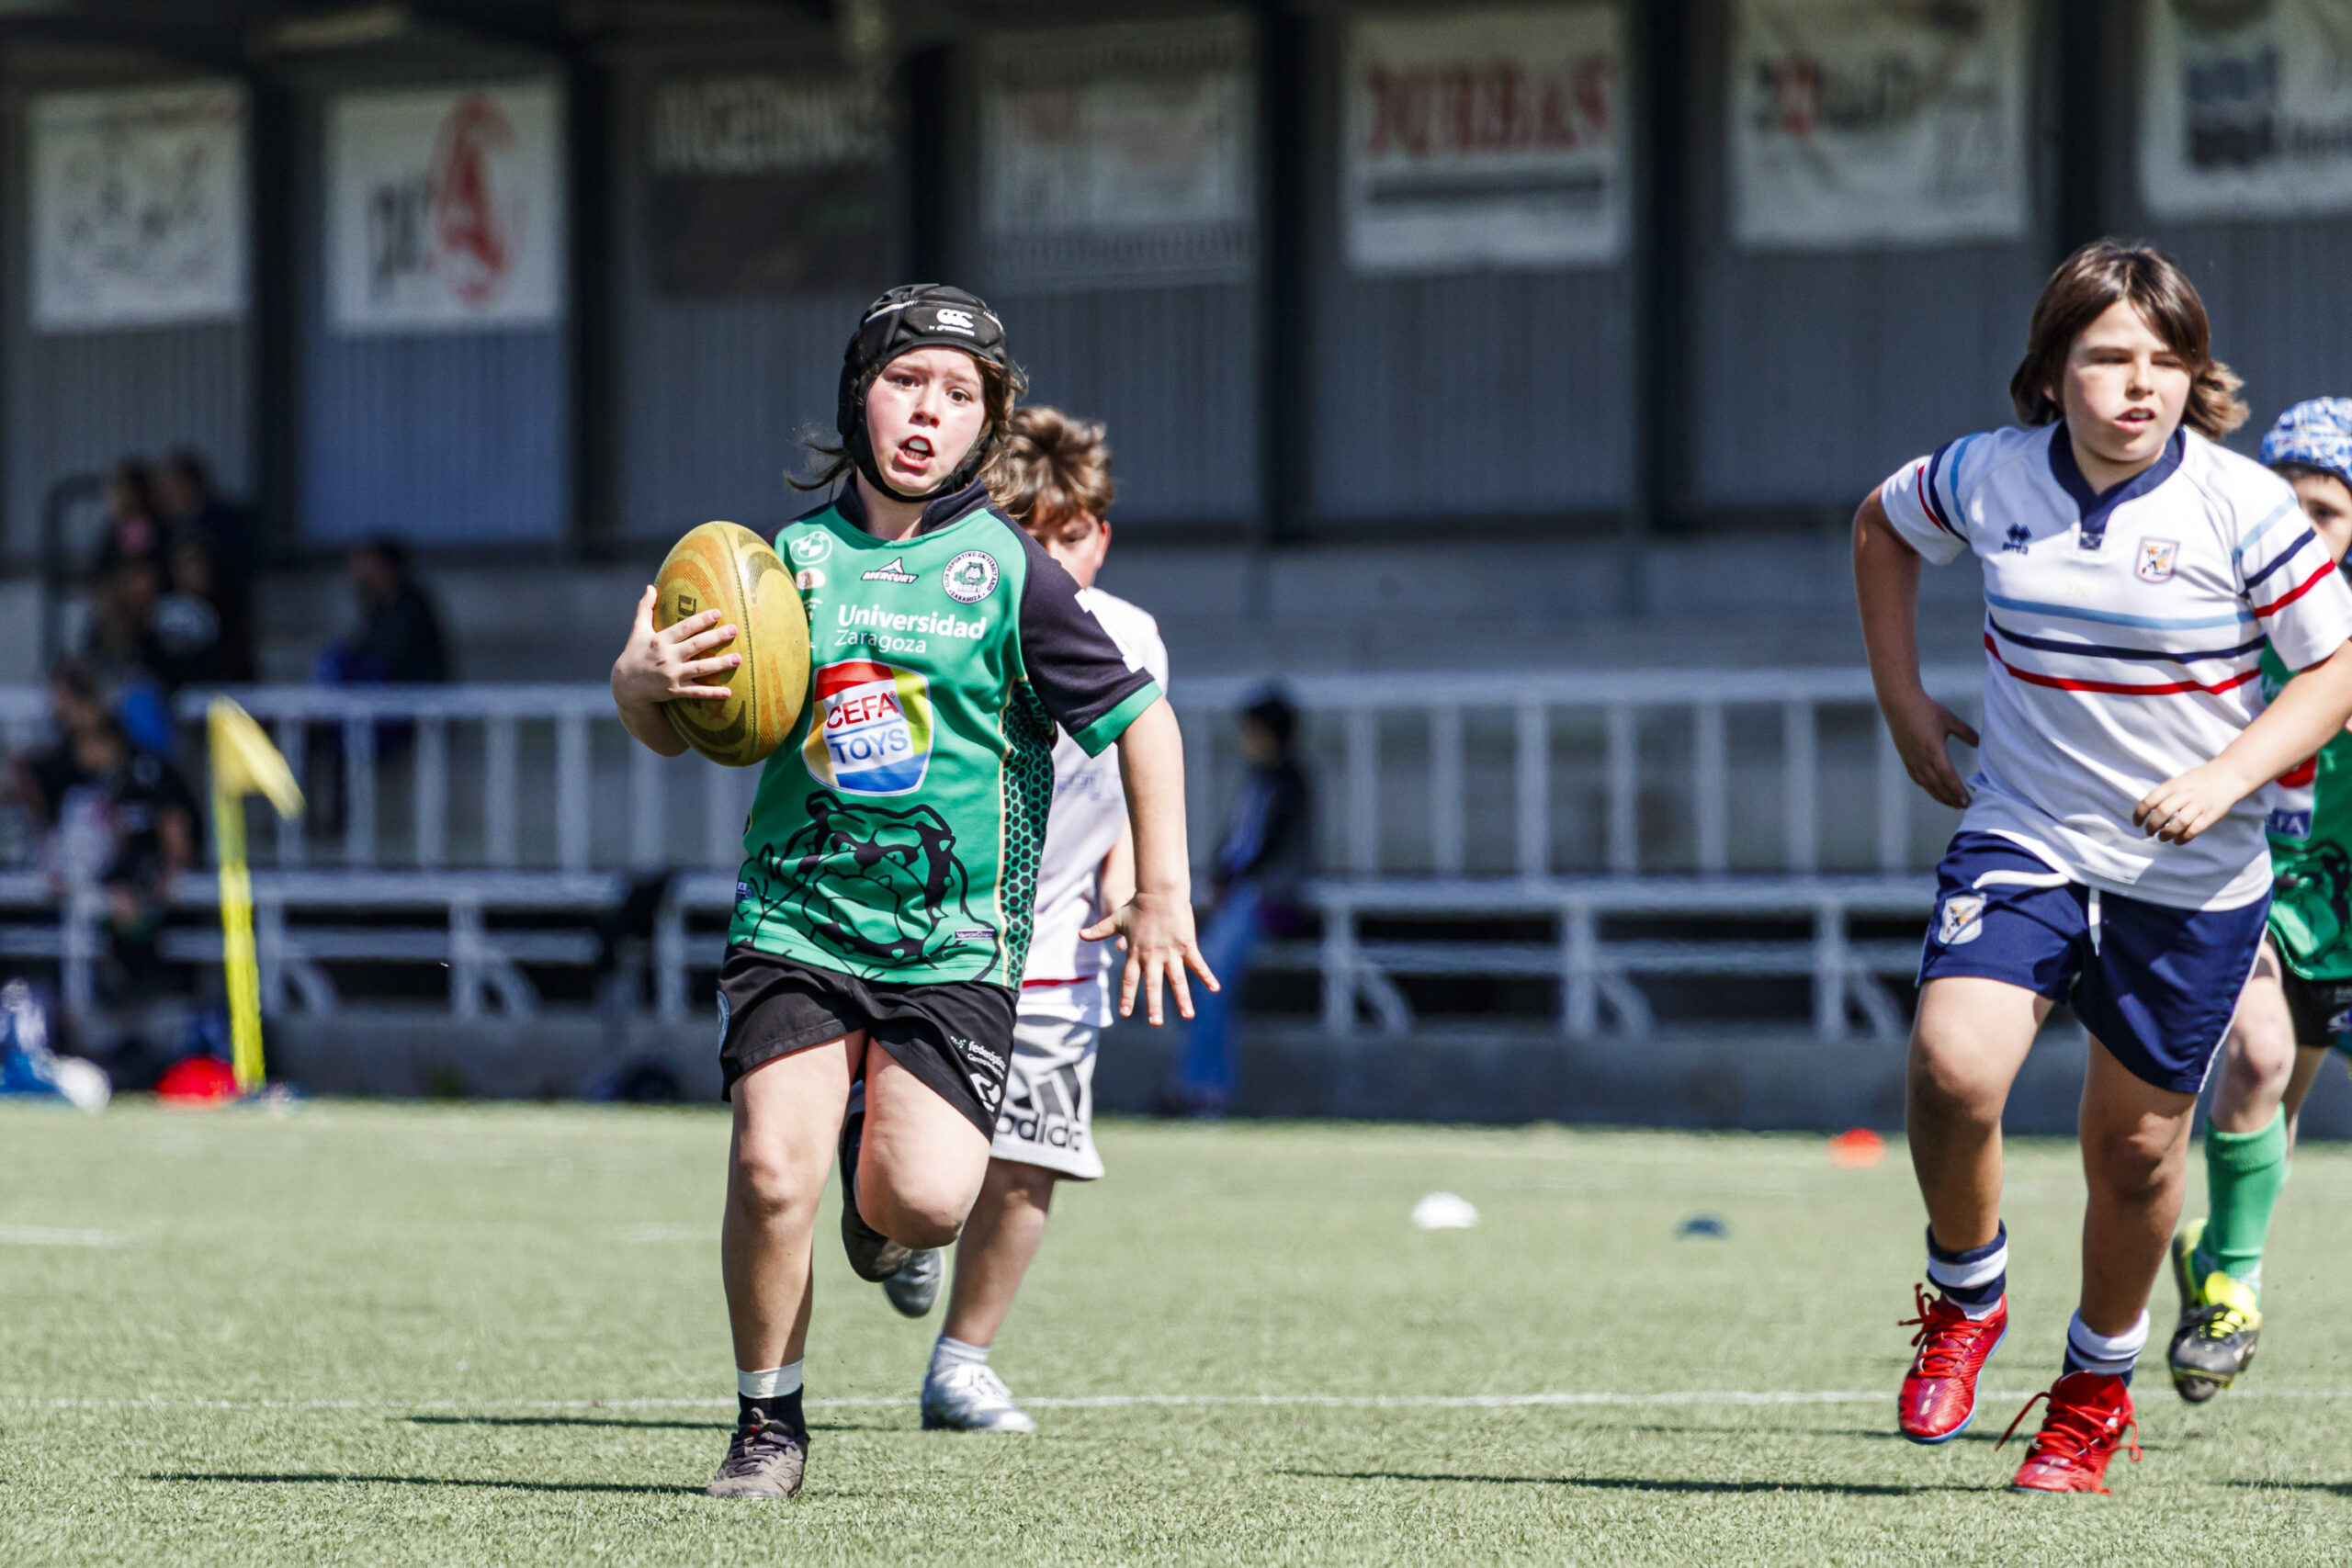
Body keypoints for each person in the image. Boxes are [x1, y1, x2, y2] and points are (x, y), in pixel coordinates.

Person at [609, 285, 1214, 1502]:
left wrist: (1164, 888)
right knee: (769, 1167)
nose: (926, 409)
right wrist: (640, 675)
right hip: (797, 916)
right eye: (906, 381)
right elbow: (675, 731)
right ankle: (768, 1423)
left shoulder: (1009, 572)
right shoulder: (782, 567)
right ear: (859, 395)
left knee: (926, 1197)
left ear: (988, 421)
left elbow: (1146, 724)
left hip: (952, 942)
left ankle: (873, 1209)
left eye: (958, 392)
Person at [1855, 241, 2352, 1495]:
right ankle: (1966, 1291)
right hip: (2028, 829)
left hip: (2191, 878)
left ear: (2198, 375)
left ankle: (2092, 1388)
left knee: (2132, 1157)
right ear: (2052, 369)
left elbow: (2340, 670)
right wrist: (1902, 692)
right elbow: (1881, 524)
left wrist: (2228, 776)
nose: (2141, 384)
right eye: (2109, 357)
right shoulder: (1989, 472)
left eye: (2166, 361)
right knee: (1950, 1064)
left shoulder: (2246, 507)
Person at [913, 407, 1169, 1435]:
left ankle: (962, 1367)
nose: (1056, 558)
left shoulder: (1134, 638)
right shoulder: (949, 631)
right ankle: (900, 1219)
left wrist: (1132, 886)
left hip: (1057, 951)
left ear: (1100, 535)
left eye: (1074, 534)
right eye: (1033, 534)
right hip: (928, 937)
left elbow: (1125, 785)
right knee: (907, 1174)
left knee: (1029, 1165)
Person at [2161, 399, 2352, 1402]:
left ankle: (2216, 1244)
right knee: (2261, 1056)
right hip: (2261, 883)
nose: (2299, 527)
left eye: (2325, 510)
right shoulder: (2225, 612)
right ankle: (2232, 1291)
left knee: (2282, 1106)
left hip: (2346, 907)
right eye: (2285, 503)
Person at [1165, 688, 1310, 1116]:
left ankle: (1204, 1091)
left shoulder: (1291, 781)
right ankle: (1192, 1084)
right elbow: (1238, 842)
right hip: (1239, 897)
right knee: (1195, 980)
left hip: (1263, 901)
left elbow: (1273, 852)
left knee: (1210, 985)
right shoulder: (1257, 778)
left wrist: (1234, 880)